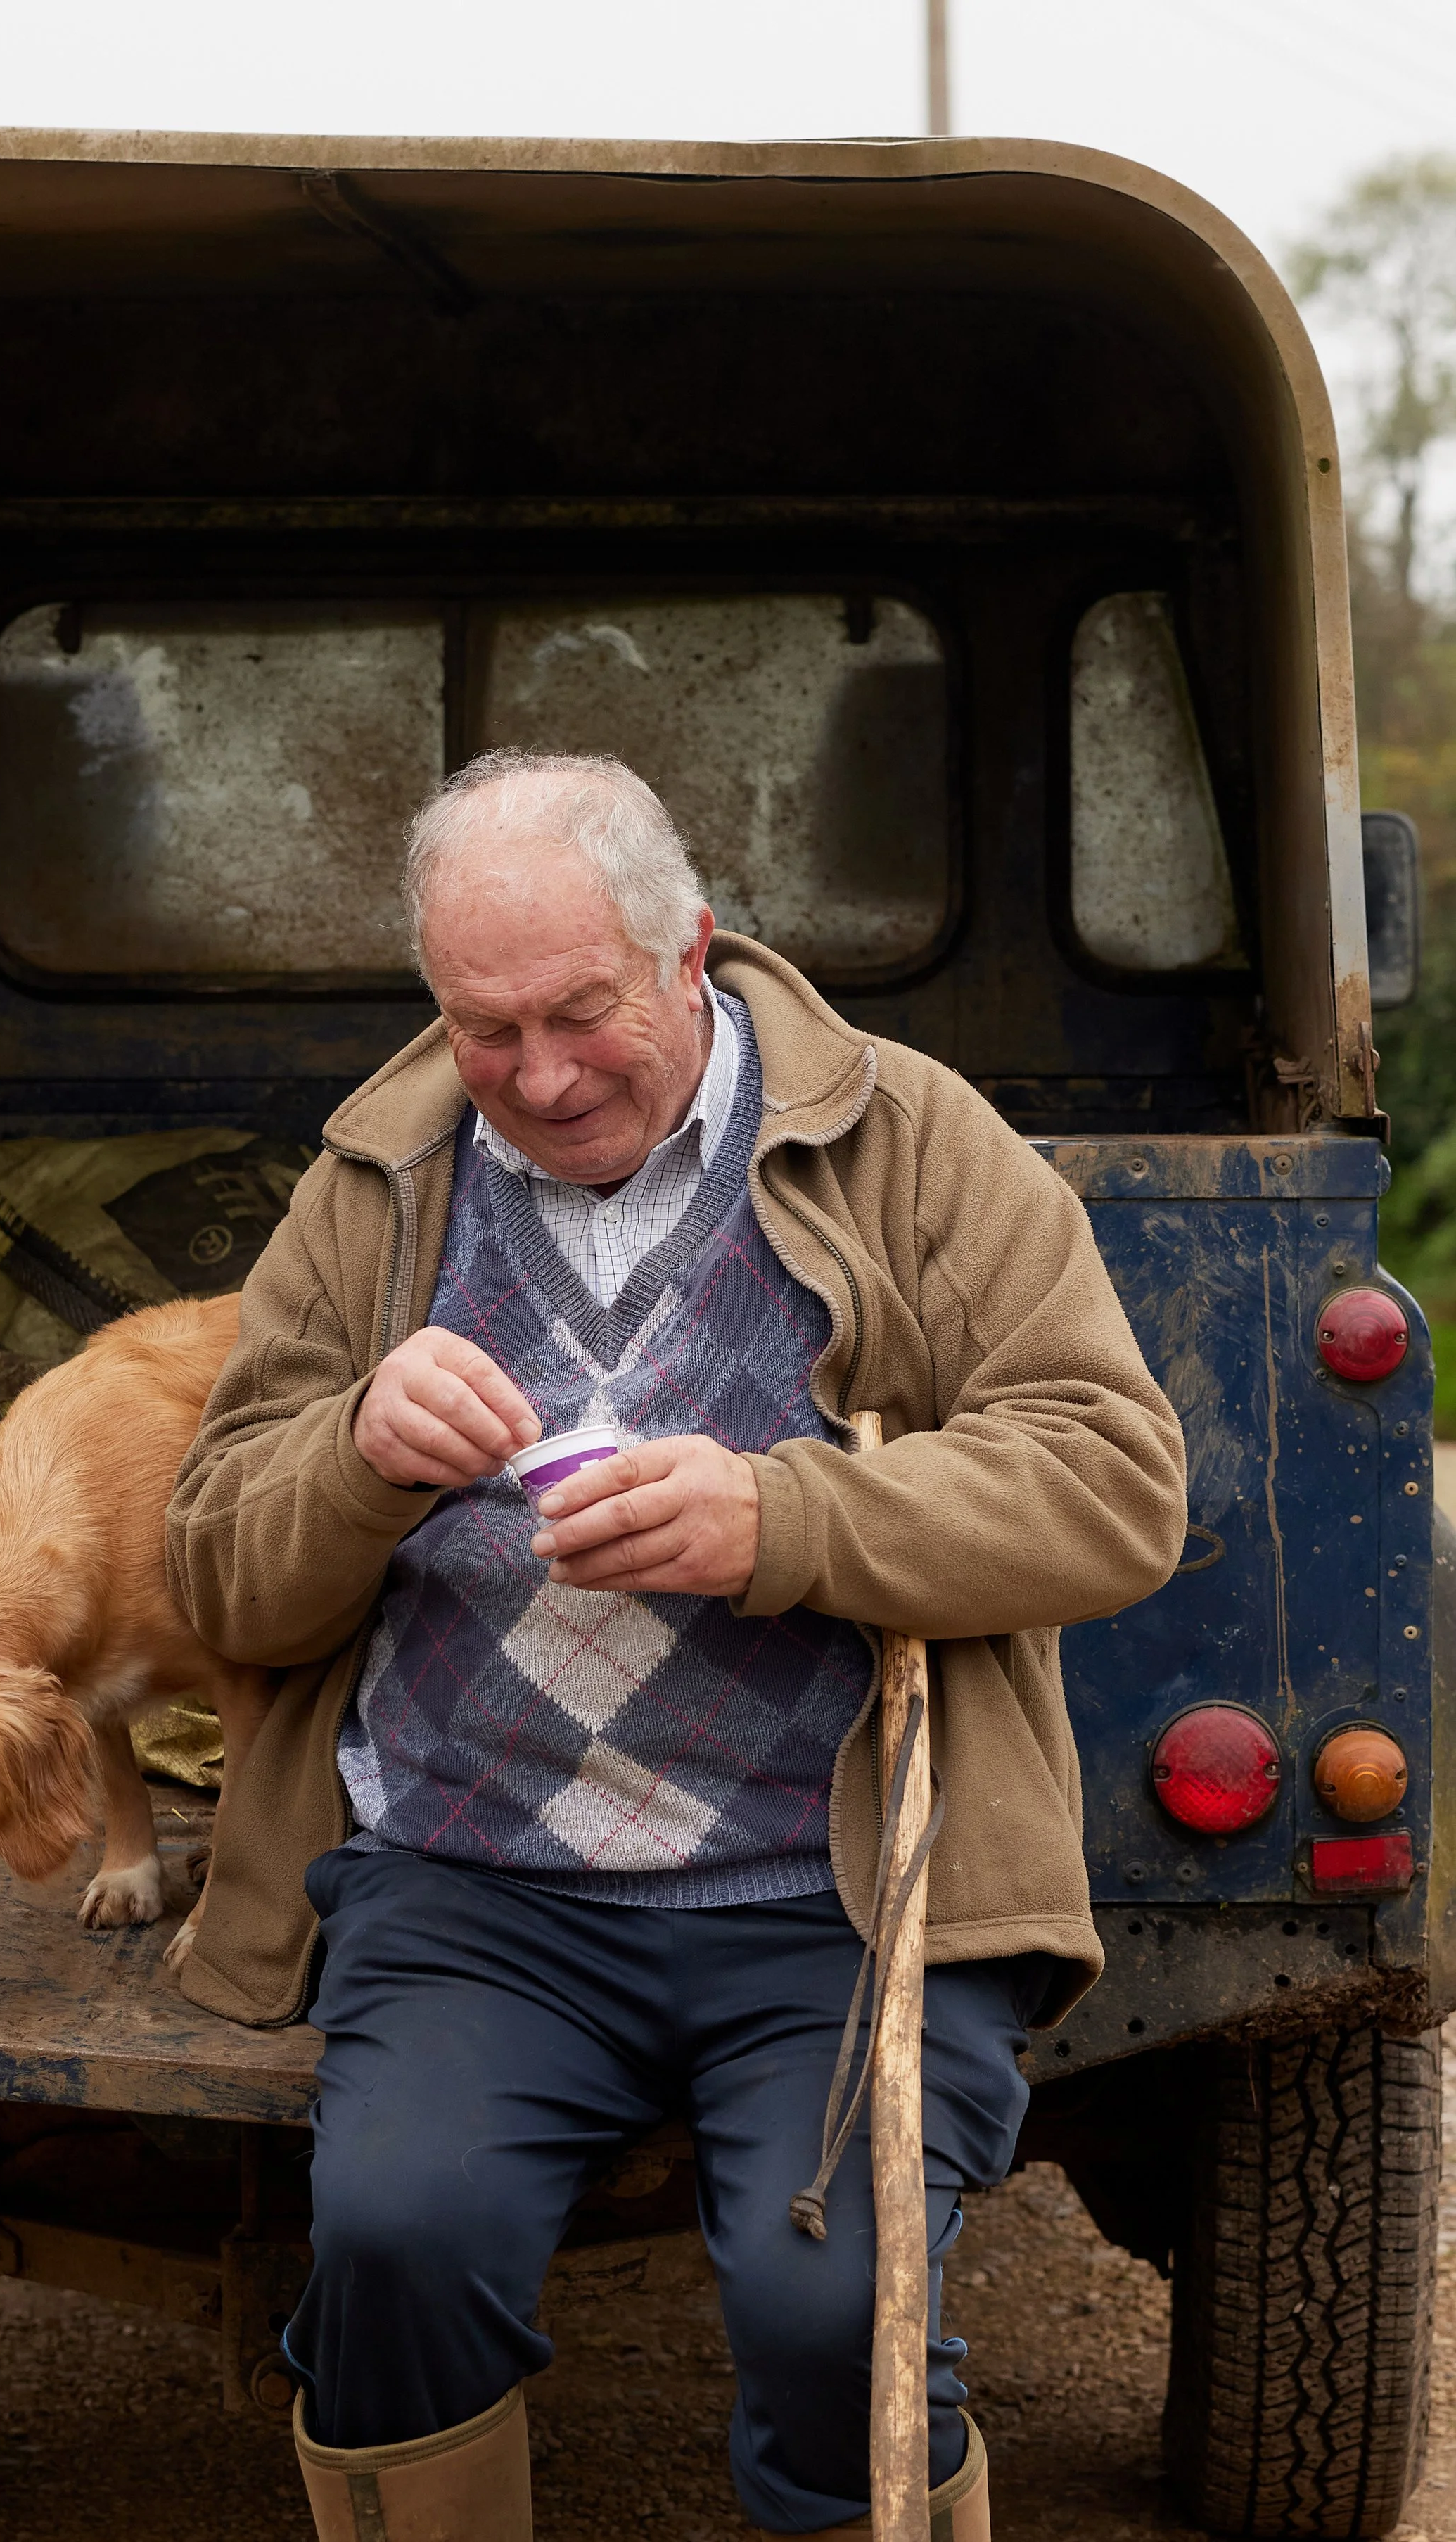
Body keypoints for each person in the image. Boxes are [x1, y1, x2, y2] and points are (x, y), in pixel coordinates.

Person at [165, 751, 1187, 2540]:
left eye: (582, 1014)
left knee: (836, 2313)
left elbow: (1112, 1486)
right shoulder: (374, 1182)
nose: (540, 1076)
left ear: (687, 950)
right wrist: (352, 1461)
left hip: (832, 1887)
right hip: (475, 1889)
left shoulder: (908, 1140)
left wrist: (784, 1523)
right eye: (485, 1030)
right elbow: (221, 1581)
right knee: (391, 2246)